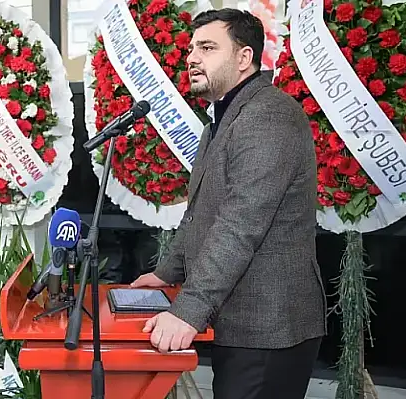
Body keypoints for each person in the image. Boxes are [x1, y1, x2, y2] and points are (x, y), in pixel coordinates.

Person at [130, 8, 326, 399]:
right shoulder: (219, 121)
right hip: (239, 323)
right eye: (191, 48)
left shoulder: (269, 115)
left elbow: (240, 224)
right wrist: (168, 272)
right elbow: (200, 212)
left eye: (206, 47)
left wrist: (188, 310)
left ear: (243, 58)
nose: (191, 58)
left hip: (270, 327)